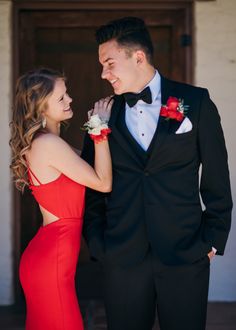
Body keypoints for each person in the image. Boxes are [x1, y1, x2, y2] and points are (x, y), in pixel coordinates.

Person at [81, 17, 233, 330]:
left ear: (138, 57)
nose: (103, 74)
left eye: (109, 63)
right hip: (122, 258)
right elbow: (91, 184)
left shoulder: (195, 102)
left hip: (185, 254)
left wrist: (212, 241)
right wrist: (98, 243)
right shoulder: (100, 114)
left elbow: (217, 176)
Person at [9, 67, 113, 330]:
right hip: (52, 259)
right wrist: (100, 125)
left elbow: (90, 164)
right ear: (41, 107)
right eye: (61, 98)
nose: (70, 101)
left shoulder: (50, 143)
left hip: (50, 255)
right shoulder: (48, 145)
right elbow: (102, 182)